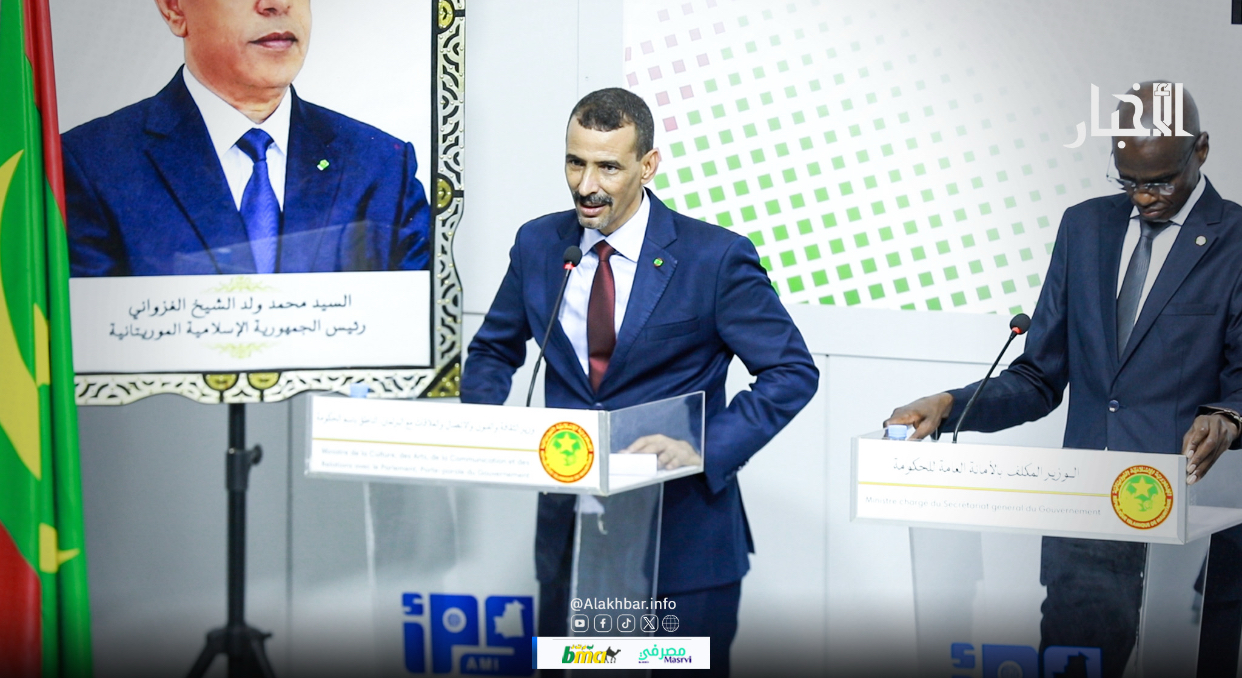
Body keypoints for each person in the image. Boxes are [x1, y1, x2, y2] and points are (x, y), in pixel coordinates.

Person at [884, 82, 1242, 678]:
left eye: (1159, 182)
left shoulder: (1236, 240)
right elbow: (1038, 377)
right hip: (1086, 532)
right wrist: (949, 405)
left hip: (1190, 535)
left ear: (1200, 151)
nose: (1143, 197)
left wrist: (1229, 417)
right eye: (1128, 182)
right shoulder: (1085, 227)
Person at [461, 88, 818, 675]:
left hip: (682, 548)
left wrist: (703, 445)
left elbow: (791, 371)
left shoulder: (714, 258)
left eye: (608, 167)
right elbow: (494, 349)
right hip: (572, 543)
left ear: (647, 165)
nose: (586, 185)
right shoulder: (539, 244)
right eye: (575, 162)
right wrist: (482, 426)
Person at [62, 0, 430, 277]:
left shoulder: (380, 165)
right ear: (174, 8)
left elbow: (419, 332)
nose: (277, 4)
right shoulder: (90, 166)